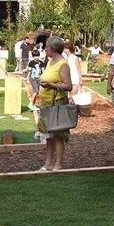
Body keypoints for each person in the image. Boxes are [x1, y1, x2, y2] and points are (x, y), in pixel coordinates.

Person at [36, 35, 74, 170]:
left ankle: (58, 164)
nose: (44, 49)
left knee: (57, 135)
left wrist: (51, 85)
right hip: (47, 104)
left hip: (57, 104)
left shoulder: (63, 64)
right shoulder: (50, 61)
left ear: (53, 48)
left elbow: (68, 86)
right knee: (48, 136)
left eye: (46, 46)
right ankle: (47, 164)